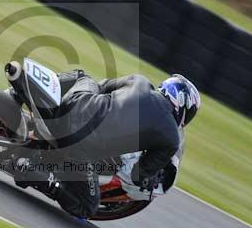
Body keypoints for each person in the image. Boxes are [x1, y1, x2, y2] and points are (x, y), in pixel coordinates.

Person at [13, 70, 201, 219]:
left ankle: (20, 92)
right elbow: (137, 174)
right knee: (87, 207)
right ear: (183, 105)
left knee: (82, 76)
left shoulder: (139, 81)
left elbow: (103, 86)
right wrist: (148, 178)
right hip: (79, 147)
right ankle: (34, 173)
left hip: (74, 103)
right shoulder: (170, 138)